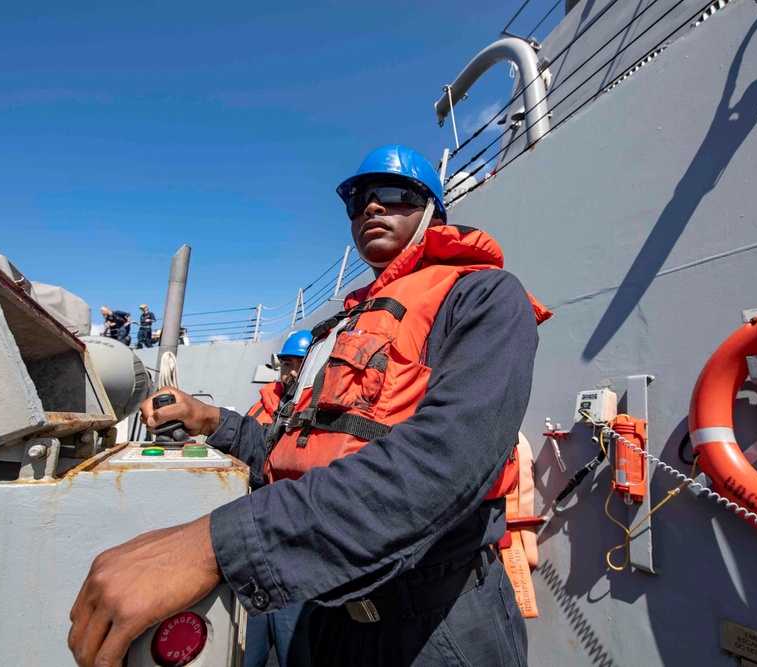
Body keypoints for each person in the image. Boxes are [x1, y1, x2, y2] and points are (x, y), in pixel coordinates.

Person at [69, 145, 550, 667]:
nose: (371, 208)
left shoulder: (483, 296)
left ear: (432, 208)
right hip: (330, 618)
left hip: (437, 625)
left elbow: (444, 465)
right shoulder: (343, 327)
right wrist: (209, 421)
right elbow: (291, 452)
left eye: (393, 195)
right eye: (359, 200)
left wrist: (217, 545)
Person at [243, 329, 314, 667]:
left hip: (298, 558)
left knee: (296, 652)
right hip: (255, 551)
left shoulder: (321, 414)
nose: (294, 372)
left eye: (302, 363)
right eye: (288, 364)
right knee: (246, 652)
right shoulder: (262, 408)